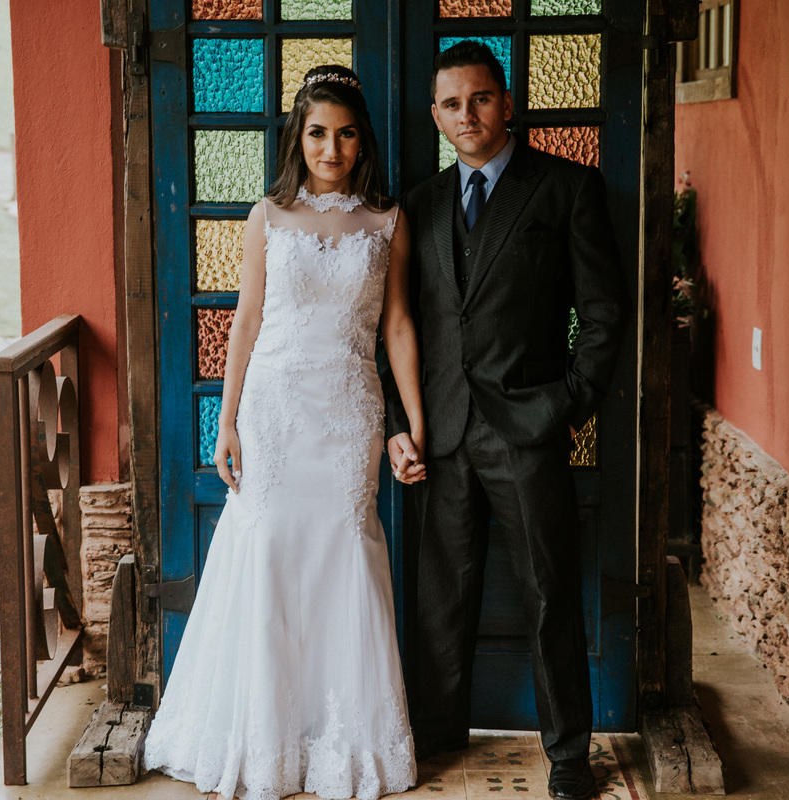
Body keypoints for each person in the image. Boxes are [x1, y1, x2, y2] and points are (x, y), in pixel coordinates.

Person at [143, 65, 424, 800]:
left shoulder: (388, 221)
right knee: (265, 552)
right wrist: (226, 419)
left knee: (345, 555)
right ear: (298, 139)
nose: (332, 148)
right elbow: (246, 321)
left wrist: (411, 424)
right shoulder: (266, 216)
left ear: (363, 141)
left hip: (348, 412)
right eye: (318, 133)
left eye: (346, 134)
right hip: (272, 411)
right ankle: (263, 741)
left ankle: (341, 742)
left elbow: (397, 324)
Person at [384, 41, 627, 800]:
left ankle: (568, 759)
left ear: (508, 102)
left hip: (528, 432)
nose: (468, 115)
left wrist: (568, 404)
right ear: (434, 114)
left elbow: (604, 312)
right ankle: (436, 736)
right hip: (441, 435)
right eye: (452, 103)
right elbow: (398, 325)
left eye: (481, 99)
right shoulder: (419, 205)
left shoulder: (564, 189)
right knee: (439, 600)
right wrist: (402, 422)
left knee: (549, 594)